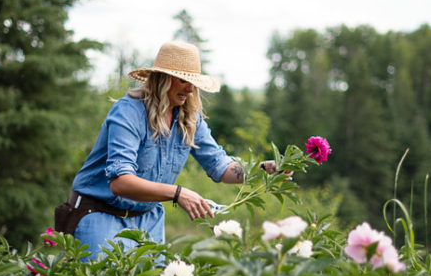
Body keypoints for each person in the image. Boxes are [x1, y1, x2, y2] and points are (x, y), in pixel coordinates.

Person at [62, 41, 280, 260]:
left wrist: (263, 169)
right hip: (101, 214)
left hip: (148, 218)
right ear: (162, 79)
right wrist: (178, 193)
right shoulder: (128, 113)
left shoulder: (189, 119)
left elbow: (220, 166)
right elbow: (120, 182)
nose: (190, 88)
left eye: (193, 82)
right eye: (184, 80)